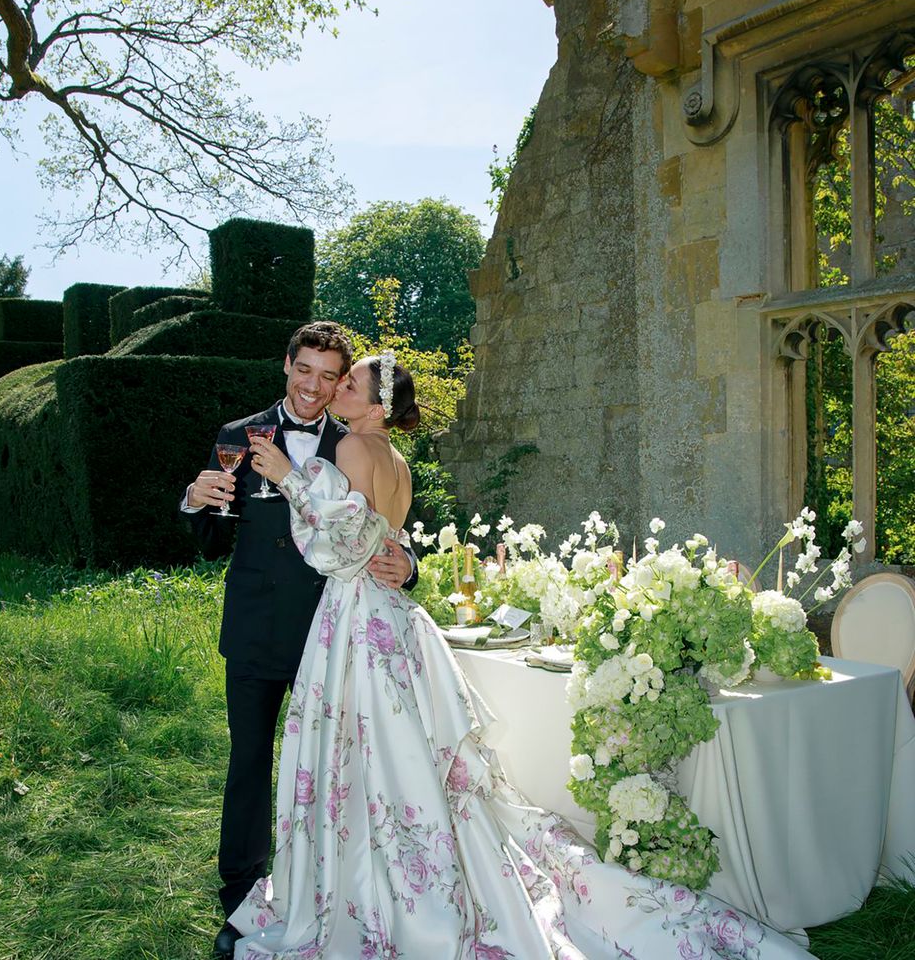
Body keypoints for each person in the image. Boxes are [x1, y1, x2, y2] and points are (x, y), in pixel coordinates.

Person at [230, 352, 811, 959]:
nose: (336, 390)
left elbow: (343, 543)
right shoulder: (396, 459)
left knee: (362, 756)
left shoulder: (352, 449)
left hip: (356, 620)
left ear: (376, 407)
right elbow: (384, 535)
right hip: (394, 622)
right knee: (402, 758)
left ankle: (374, 891)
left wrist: (289, 478)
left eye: (347, 384)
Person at [180, 323, 418, 960]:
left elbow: (377, 527)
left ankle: (323, 879)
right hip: (256, 626)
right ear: (286, 365)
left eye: (328, 375)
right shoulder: (238, 436)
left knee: (332, 767)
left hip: (331, 635)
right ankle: (241, 887)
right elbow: (209, 538)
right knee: (250, 760)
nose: (315, 387)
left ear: (345, 382)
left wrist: (410, 564)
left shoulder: (355, 438)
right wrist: (195, 501)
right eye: (304, 370)